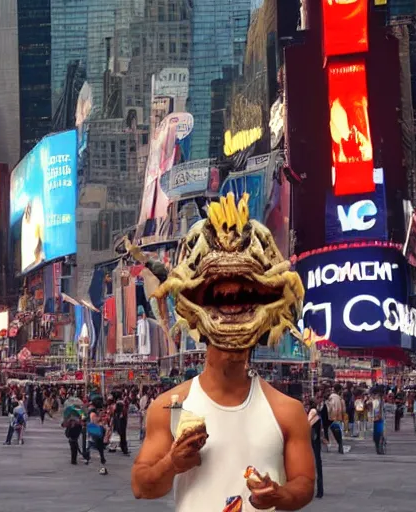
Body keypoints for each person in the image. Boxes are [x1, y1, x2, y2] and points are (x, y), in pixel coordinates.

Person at [127, 196, 314, 511]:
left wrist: (279, 494)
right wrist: (171, 462)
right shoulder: (169, 408)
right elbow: (142, 486)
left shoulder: (287, 411)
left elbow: (305, 484)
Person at [306, 400, 324, 499]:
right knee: (318, 464)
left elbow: (308, 424)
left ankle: (319, 490)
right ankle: (320, 490)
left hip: (314, 441)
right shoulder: (317, 414)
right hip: (316, 441)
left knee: (316, 464)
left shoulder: (312, 413)